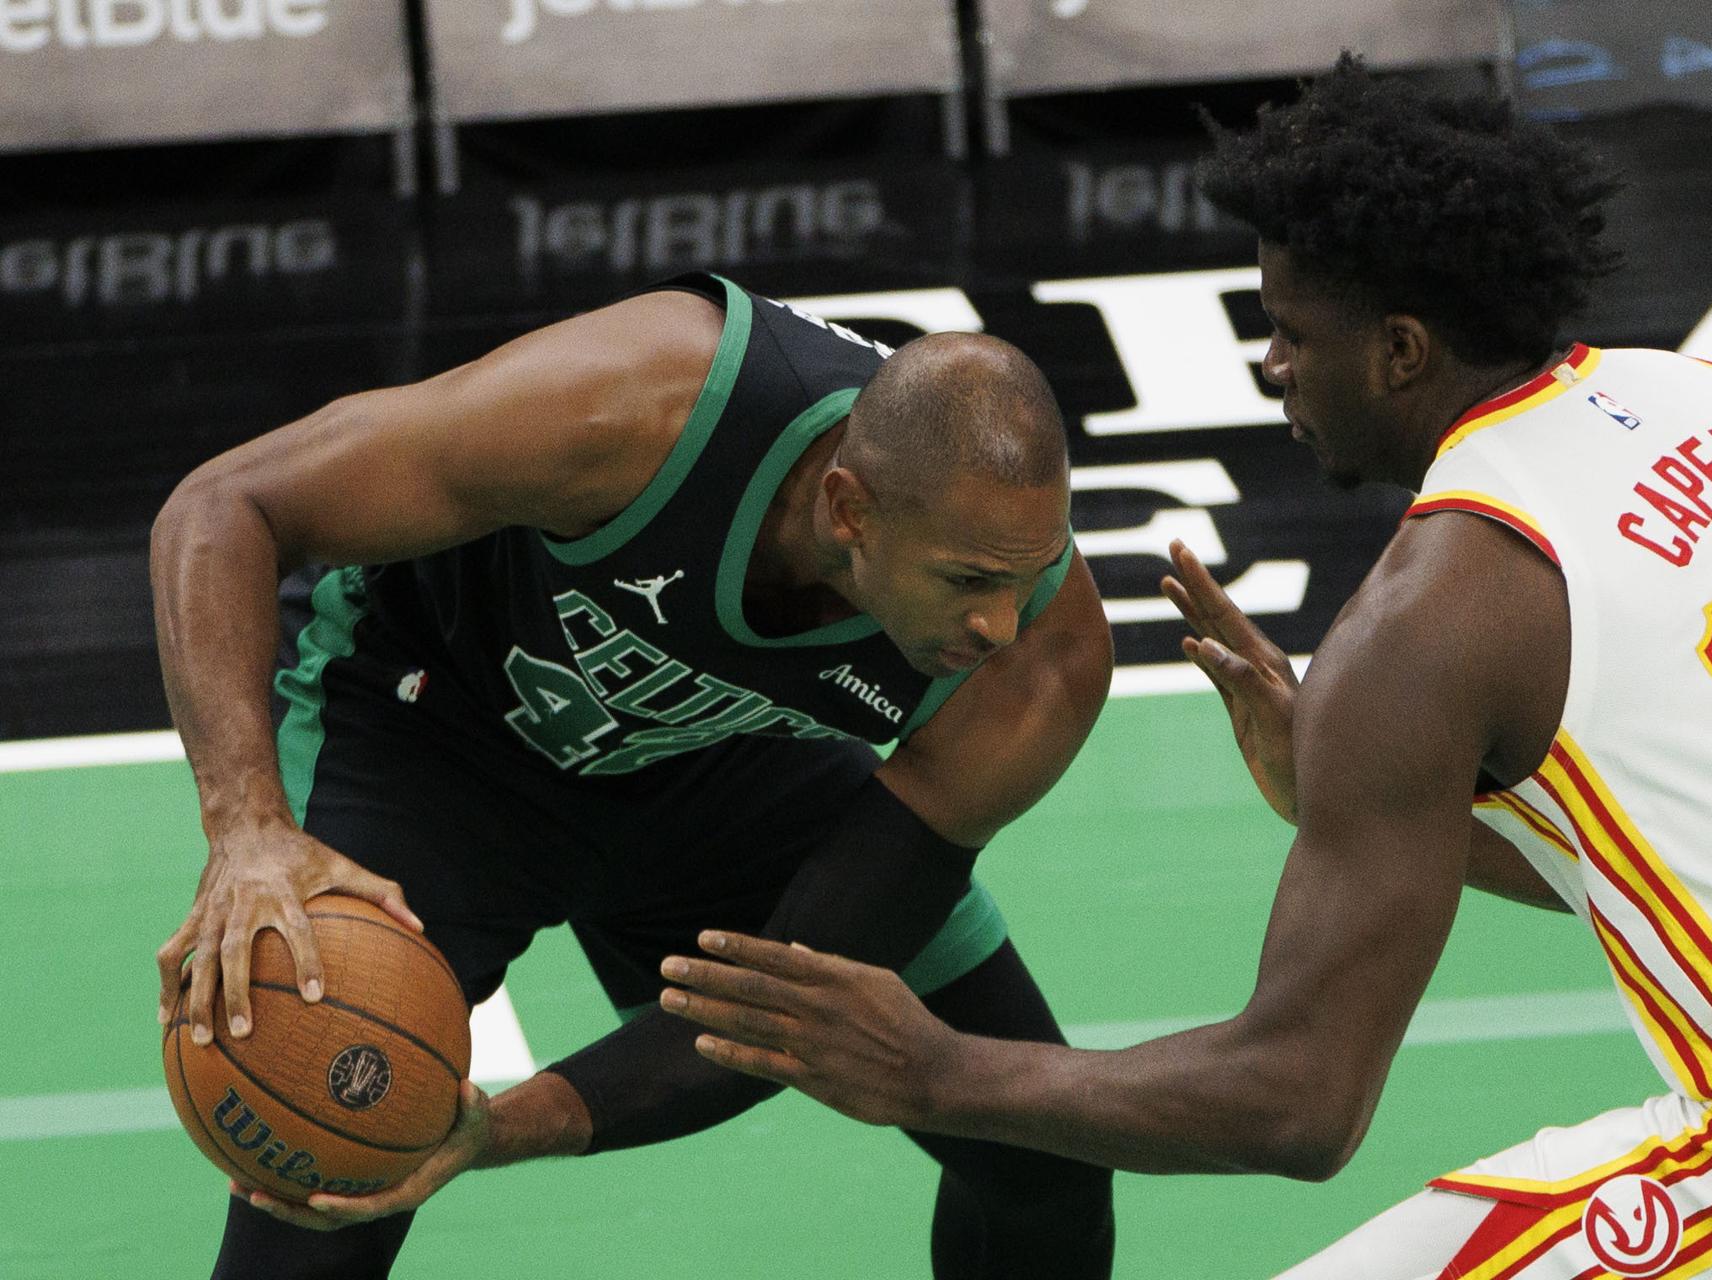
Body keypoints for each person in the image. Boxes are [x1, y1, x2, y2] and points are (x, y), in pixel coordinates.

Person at [659, 58, 1712, 1278]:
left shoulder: (1428, 615)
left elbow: (1297, 1100)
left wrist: (930, 1067)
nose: (1269, 366)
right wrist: (1344, 791)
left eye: (1289, 330)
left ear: (1404, 351)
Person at [149, 271, 1118, 1278]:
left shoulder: (1041, 664)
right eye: (968, 579)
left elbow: (775, 1006)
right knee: (316, 1207)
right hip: (431, 723)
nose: (998, 623)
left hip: (717, 762)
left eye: (1026, 573)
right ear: (848, 508)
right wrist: (248, 828)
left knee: (1037, 1153)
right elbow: (227, 505)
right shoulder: (638, 405)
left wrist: (503, 1126)